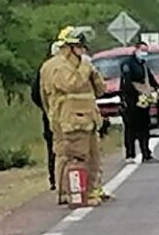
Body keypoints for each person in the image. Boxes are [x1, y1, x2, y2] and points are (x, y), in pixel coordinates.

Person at [40, 27, 109, 204]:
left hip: (89, 118)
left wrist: (93, 73)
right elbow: (71, 84)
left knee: (94, 157)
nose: (83, 51)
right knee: (76, 157)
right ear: (69, 47)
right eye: (79, 47)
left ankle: (92, 190)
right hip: (71, 119)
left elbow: (100, 89)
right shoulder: (58, 66)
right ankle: (75, 194)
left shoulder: (83, 65)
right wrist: (85, 68)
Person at [118, 40, 159, 162]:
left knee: (144, 127)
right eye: (142, 50)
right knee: (131, 128)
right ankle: (130, 154)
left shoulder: (143, 64)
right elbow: (127, 82)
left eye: (146, 51)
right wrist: (137, 93)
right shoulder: (128, 64)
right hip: (131, 101)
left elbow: (150, 79)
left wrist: (158, 89)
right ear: (136, 50)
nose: (144, 53)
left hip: (143, 100)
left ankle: (146, 153)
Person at [31, 40, 60, 189]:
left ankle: (56, 179)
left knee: (54, 148)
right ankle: (56, 179)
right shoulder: (47, 69)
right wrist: (46, 107)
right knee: (55, 147)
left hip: (52, 114)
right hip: (53, 114)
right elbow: (36, 93)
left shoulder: (44, 68)